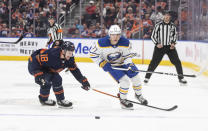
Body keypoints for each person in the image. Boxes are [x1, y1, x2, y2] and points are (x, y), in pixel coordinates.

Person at [90, 25, 148, 110]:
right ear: (109, 34)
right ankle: (123, 100)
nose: (115, 37)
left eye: (117, 35)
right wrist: (102, 63)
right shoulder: (101, 43)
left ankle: (138, 95)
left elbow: (127, 56)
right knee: (125, 82)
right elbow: (93, 55)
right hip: (112, 66)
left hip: (124, 62)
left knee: (136, 78)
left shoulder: (125, 42)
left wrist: (129, 65)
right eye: (113, 34)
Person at [28, 41, 90, 108]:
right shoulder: (52, 55)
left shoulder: (70, 58)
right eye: (69, 52)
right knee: (55, 79)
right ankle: (60, 100)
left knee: (48, 81)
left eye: (72, 52)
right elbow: (35, 60)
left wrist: (83, 81)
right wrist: (37, 74)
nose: (71, 54)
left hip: (48, 67)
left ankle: (43, 99)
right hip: (35, 65)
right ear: (63, 51)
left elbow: (75, 70)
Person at [144, 11, 187, 85]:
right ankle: (147, 78)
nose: (166, 17)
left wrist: (173, 43)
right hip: (159, 47)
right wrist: (157, 44)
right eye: (165, 15)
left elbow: (174, 36)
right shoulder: (158, 25)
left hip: (170, 48)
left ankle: (181, 78)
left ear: (170, 17)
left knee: (177, 62)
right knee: (154, 63)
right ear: (163, 16)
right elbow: (153, 36)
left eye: (168, 15)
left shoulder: (173, 26)